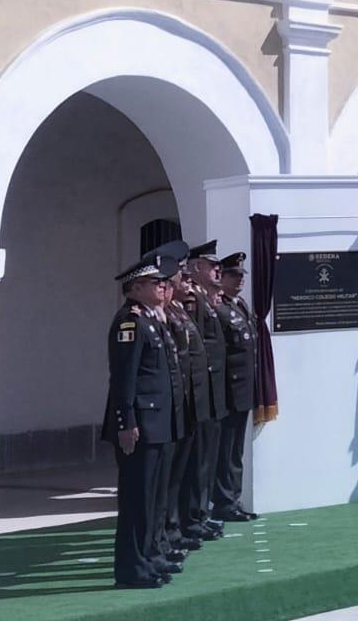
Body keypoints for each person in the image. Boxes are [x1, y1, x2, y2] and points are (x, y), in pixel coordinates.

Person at [103, 253, 177, 589]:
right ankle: (131, 568)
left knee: (152, 498)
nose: (162, 287)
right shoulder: (129, 323)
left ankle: (147, 558)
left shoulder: (150, 320)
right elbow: (124, 378)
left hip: (157, 422)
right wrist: (125, 422)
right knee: (136, 499)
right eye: (154, 283)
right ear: (135, 287)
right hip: (140, 424)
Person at [152, 240, 209, 563]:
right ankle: (167, 532)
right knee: (167, 480)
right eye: (179, 277)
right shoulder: (154, 317)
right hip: (169, 410)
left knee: (177, 476)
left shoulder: (176, 312)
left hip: (184, 406)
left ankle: (171, 531)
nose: (185, 280)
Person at [181, 241, 228, 538]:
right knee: (198, 460)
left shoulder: (207, 299)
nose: (217, 270)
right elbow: (196, 349)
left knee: (208, 458)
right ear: (196, 268)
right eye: (212, 266)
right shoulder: (193, 301)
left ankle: (202, 511)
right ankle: (194, 516)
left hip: (212, 391)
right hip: (202, 390)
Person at [212, 251, 258, 522]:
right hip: (229, 389)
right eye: (234, 275)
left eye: (242, 275)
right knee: (225, 450)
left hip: (243, 389)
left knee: (235, 451)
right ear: (222, 277)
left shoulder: (239, 304)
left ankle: (234, 498)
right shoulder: (218, 309)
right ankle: (223, 501)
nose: (239, 280)